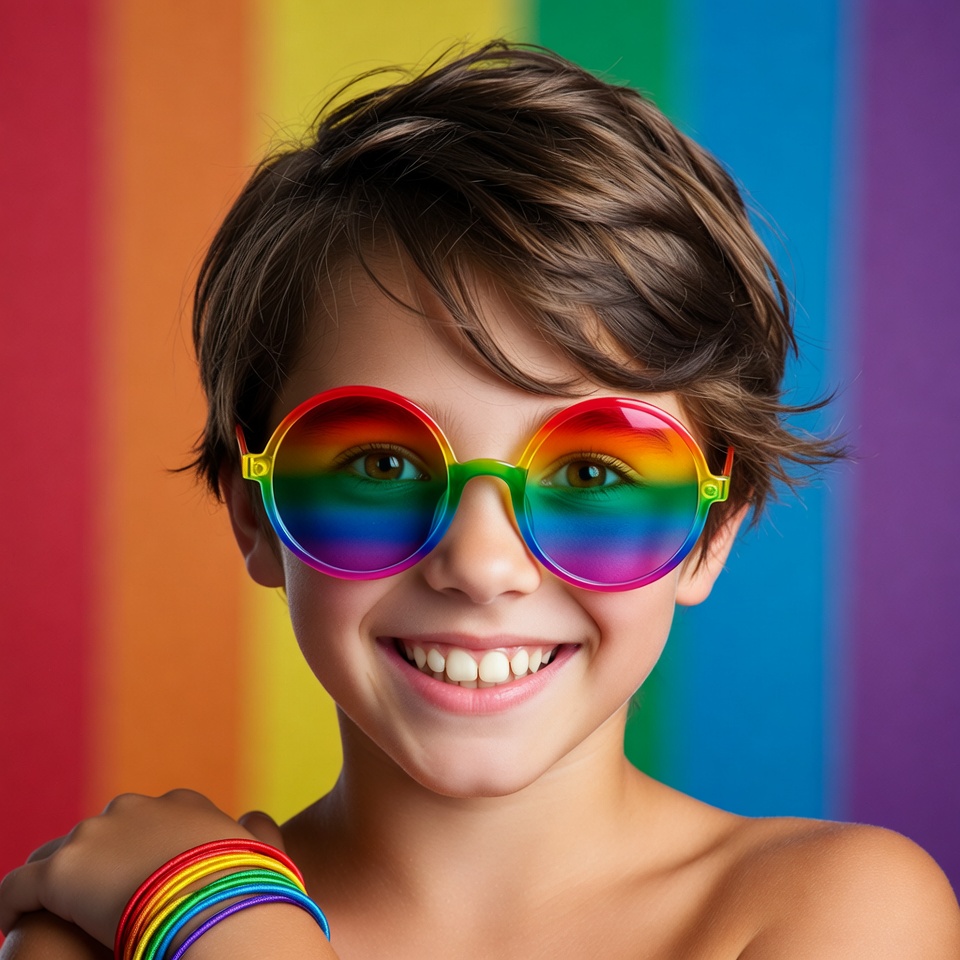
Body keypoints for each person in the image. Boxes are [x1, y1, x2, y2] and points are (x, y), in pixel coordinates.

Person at [1, 42, 958, 960]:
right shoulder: (98, 940)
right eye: (380, 466)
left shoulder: (838, 911)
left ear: (713, 532)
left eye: (593, 474)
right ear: (255, 512)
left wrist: (230, 933)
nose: (481, 565)